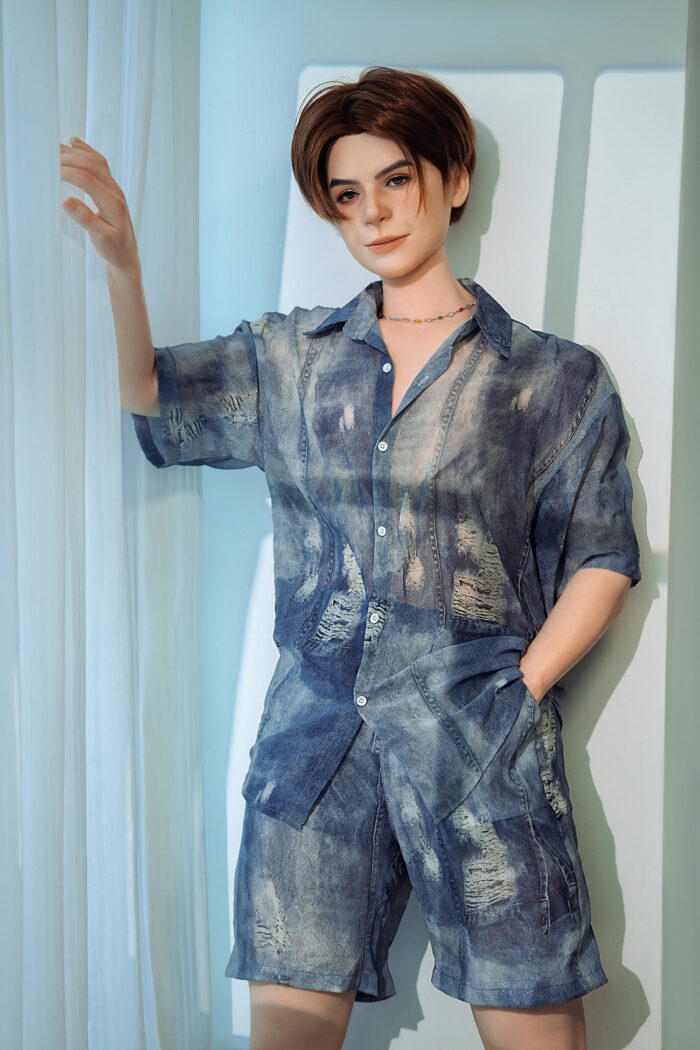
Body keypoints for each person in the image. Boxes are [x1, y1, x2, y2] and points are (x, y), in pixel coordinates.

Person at [60, 65, 641, 1050]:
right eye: (345, 194)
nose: (373, 213)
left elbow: (603, 556)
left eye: (396, 180)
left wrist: (521, 691)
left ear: (455, 179)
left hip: (478, 752)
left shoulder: (550, 378)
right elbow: (155, 399)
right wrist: (122, 265)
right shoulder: (291, 360)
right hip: (313, 756)